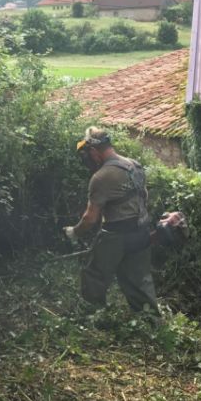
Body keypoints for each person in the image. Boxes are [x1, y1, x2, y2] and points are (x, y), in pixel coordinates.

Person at [63, 127, 159, 315]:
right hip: (141, 232)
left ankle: (92, 316)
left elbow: (90, 218)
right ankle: (151, 321)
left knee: (94, 275)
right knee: (139, 280)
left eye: (87, 154)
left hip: (116, 235)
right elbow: (144, 197)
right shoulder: (134, 165)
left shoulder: (101, 177)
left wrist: (75, 232)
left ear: (93, 152)